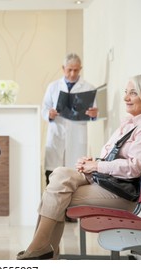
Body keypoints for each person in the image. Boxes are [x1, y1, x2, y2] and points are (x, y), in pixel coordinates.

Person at [17, 73, 141, 260]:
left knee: (57, 194)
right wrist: (93, 162)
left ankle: (41, 249)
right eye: (126, 92)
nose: (126, 98)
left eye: (133, 93)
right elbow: (114, 157)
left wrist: (97, 166)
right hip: (108, 181)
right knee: (59, 174)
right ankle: (42, 249)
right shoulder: (130, 124)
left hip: (121, 193)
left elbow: (133, 168)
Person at [42, 53, 98, 185]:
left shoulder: (88, 88)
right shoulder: (53, 87)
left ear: (80, 68)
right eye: (69, 70)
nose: (73, 74)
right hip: (57, 134)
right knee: (52, 176)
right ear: (63, 68)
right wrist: (49, 114)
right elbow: (44, 109)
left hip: (77, 136)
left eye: (76, 70)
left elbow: (94, 112)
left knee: (75, 177)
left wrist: (94, 114)